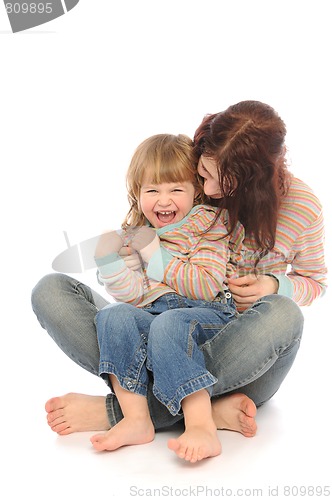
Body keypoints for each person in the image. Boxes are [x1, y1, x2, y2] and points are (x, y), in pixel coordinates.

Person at [31, 100, 327, 453]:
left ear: (255, 180)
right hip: (160, 332)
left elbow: (316, 283)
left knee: (283, 312)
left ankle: (122, 411)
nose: (211, 191)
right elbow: (137, 284)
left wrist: (274, 285)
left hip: (237, 353)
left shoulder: (302, 208)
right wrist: (118, 259)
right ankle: (202, 410)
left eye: (224, 182)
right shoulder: (190, 195)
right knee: (56, 293)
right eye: (202, 175)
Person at [90, 133, 245, 462]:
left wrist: (154, 256)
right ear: (137, 194)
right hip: (156, 319)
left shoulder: (208, 224)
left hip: (208, 316)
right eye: (152, 190)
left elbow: (205, 284)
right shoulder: (139, 231)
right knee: (112, 316)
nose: (164, 200)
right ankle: (136, 419)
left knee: (170, 323)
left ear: (196, 191)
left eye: (176, 189)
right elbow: (136, 297)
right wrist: (111, 263)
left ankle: (201, 424)